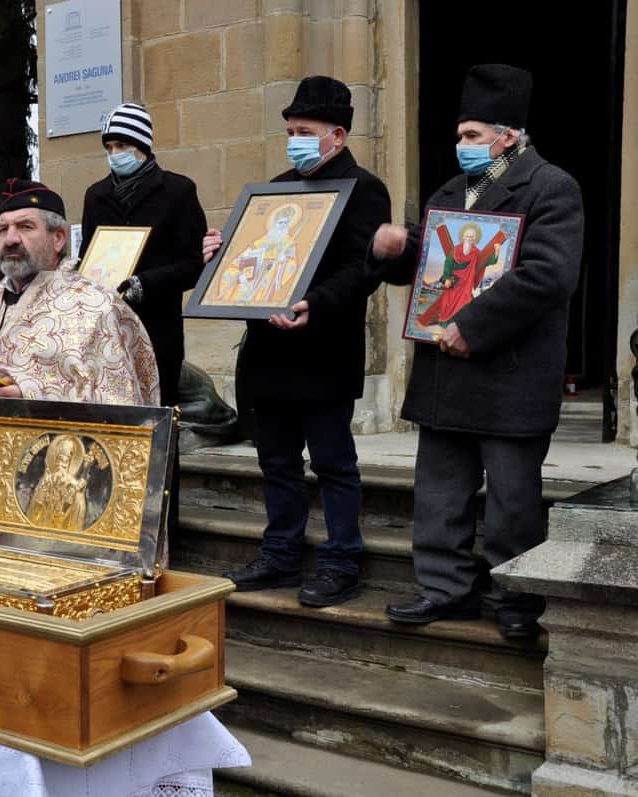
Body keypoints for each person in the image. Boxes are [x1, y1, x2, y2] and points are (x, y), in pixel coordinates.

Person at [369, 64, 584, 639]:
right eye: (459, 135)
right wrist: (397, 251)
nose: (459, 145)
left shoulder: (551, 187)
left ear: (506, 135)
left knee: (513, 502)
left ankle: (518, 602)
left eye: (471, 136)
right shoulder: (451, 191)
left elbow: (548, 275)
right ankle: (446, 590)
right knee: (440, 493)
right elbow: (430, 272)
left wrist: (474, 322)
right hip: (446, 373)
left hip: (510, 373)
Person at [203, 76, 391, 608]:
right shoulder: (278, 188)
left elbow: (364, 269)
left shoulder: (365, 189)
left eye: (303, 130)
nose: (294, 140)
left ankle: (340, 560)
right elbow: (259, 261)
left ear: (337, 135)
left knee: (332, 463)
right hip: (269, 353)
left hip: (322, 351)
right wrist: (222, 255)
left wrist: (317, 303)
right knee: (277, 462)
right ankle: (281, 554)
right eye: (289, 130)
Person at [0, 179, 160, 527]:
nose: (10, 239)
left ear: (59, 238)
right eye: (2, 229)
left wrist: (28, 395)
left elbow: (124, 412)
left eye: (25, 227)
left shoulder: (96, 305)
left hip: (57, 495)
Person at [80, 102, 206, 408]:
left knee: (158, 422)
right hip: (108, 332)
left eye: (121, 145)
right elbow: (88, 256)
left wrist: (145, 283)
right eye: (109, 147)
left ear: (142, 146)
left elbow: (194, 264)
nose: (114, 154)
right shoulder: (96, 195)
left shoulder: (178, 191)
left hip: (158, 331)